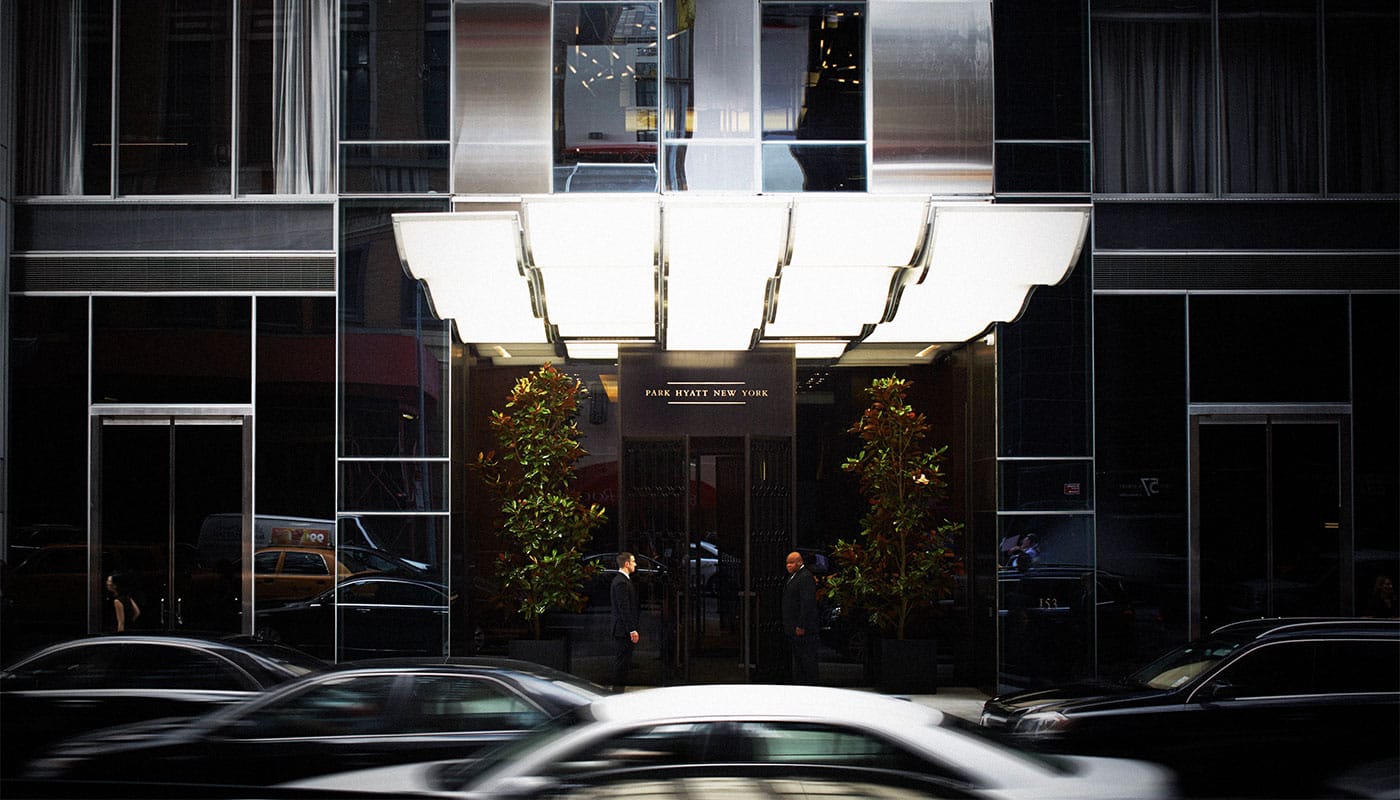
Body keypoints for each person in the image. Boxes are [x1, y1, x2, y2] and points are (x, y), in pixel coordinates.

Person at [782, 551, 819, 684]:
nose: (789, 566)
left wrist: (801, 625)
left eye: (791, 563)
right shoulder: (794, 576)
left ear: (800, 562)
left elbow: (807, 603)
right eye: (787, 563)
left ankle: (810, 684)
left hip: (802, 627)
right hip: (793, 625)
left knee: (806, 658)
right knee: (799, 657)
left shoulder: (805, 577)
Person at [609, 552, 640, 693]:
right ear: (626, 564)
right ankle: (617, 691)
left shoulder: (622, 580)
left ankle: (618, 690)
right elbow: (624, 608)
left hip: (623, 629)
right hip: (622, 630)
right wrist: (631, 629)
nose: (635, 564)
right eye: (633, 561)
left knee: (623, 661)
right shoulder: (621, 582)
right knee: (622, 662)